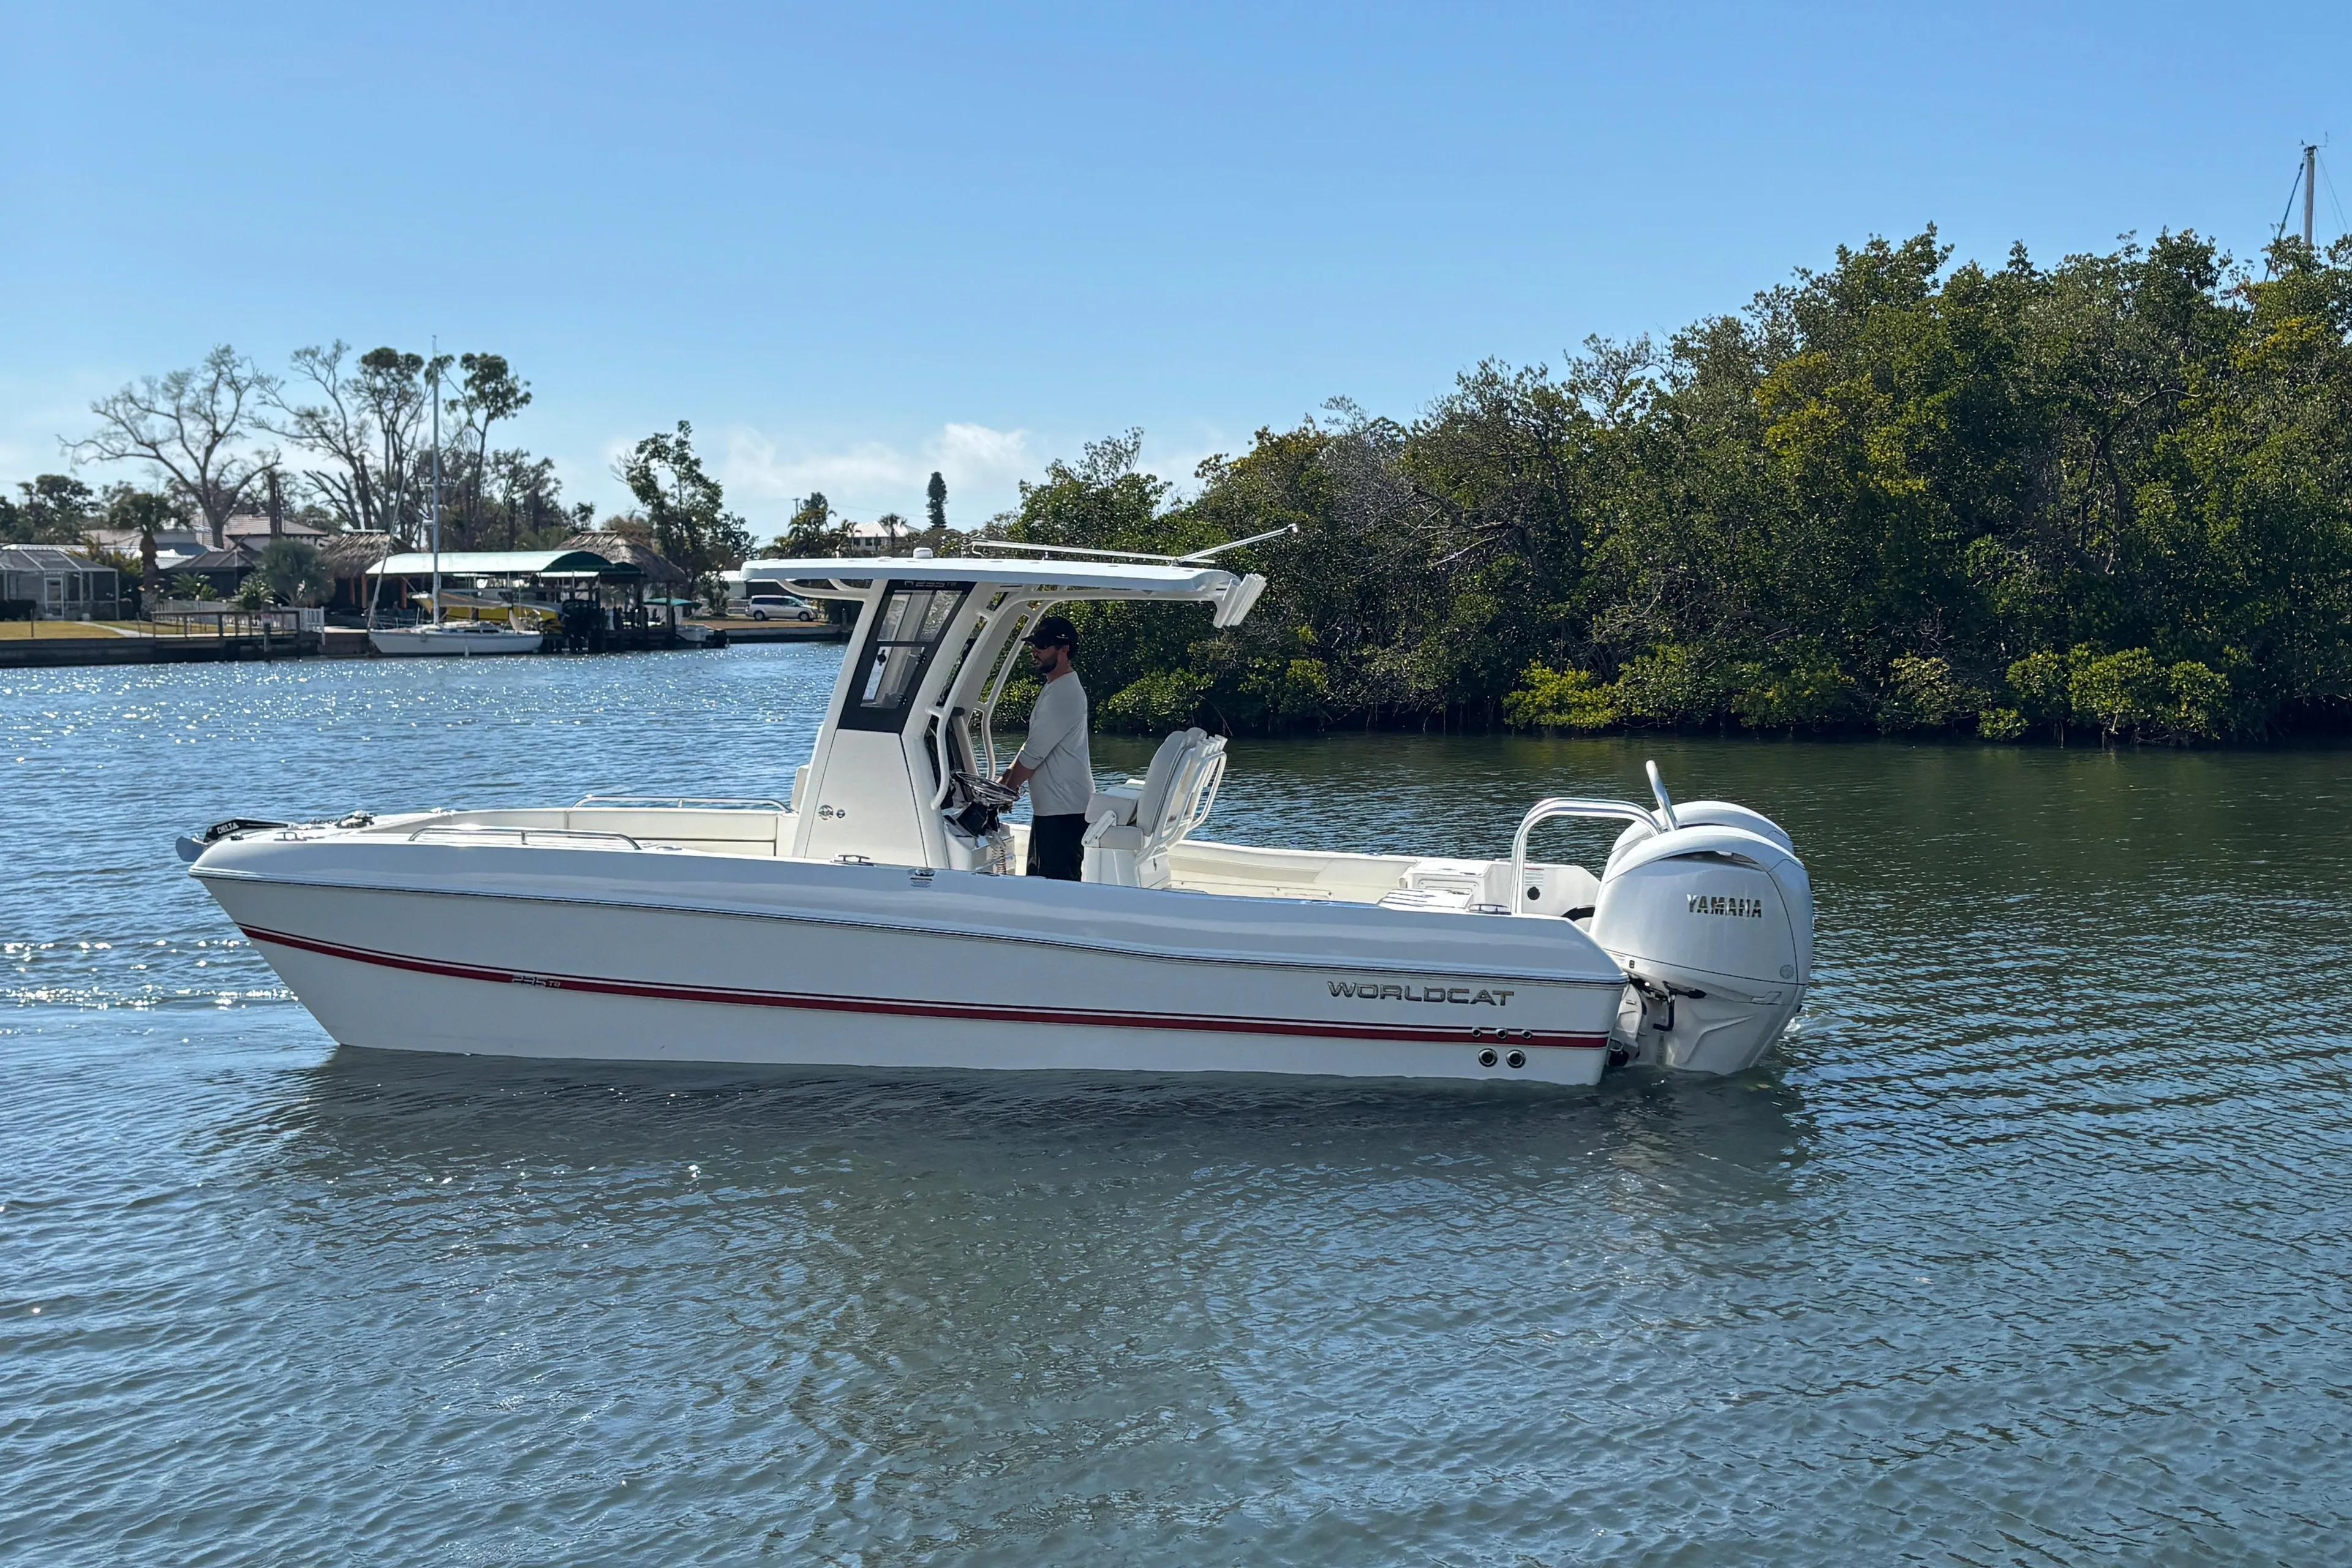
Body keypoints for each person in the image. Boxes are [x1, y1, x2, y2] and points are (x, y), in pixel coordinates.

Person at [998, 614, 1091, 881]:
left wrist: (1007, 790)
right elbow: (1033, 746)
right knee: (1041, 883)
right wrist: (1005, 780)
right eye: (1034, 645)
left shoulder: (1063, 694)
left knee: (1055, 889)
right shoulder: (1056, 687)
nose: (1035, 651)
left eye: (1043, 646)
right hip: (1054, 809)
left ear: (1064, 650)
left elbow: (1034, 755)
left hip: (1063, 812)